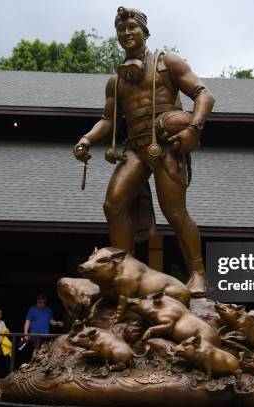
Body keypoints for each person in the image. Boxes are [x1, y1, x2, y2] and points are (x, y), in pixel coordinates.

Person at [73, 6, 215, 298]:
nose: (126, 34)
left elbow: (204, 94)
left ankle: (198, 274)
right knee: (113, 205)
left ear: (144, 31)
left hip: (164, 144)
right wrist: (86, 140)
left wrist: (193, 129)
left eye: (132, 28)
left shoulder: (167, 63)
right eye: (121, 30)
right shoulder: (117, 80)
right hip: (135, 148)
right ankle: (123, 274)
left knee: (174, 211)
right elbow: (109, 120)